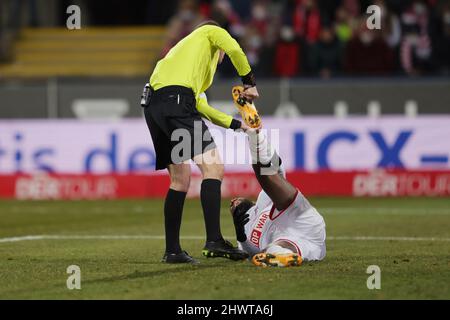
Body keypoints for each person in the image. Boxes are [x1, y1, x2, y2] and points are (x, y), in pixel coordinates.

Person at [143, 20, 259, 264]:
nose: (224, 57)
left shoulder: (184, 58)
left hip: (153, 106)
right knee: (213, 167)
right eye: (223, 54)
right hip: (176, 100)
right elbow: (237, 49)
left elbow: (201, 106)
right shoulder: (210, 31)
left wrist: (238, 125)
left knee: (180, 179)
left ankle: (173, 251)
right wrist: (249, 81)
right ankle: (214, 239)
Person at [229, 129, 326, 267]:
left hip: (300, 219)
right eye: (232, 205)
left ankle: (254, 137)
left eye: (235, 200)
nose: (234, 201)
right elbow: (250, 254)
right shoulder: (244, 235)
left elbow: (278, 167)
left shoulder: (262, 202)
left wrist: (258, 138)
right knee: (270, 250)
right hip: (301, 243)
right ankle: (283, 257)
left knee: (267, 175)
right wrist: (241, 236)